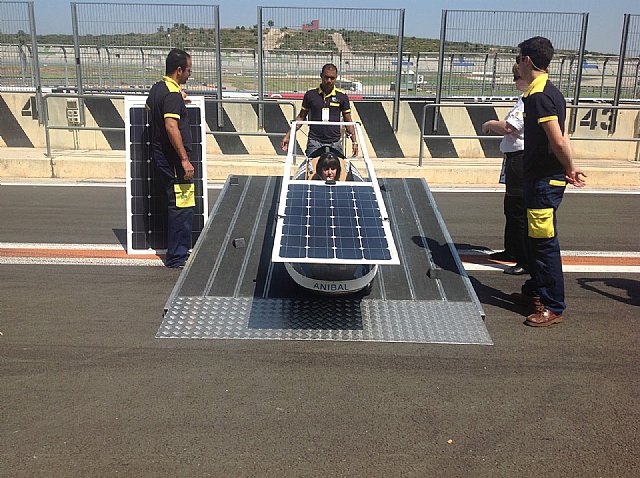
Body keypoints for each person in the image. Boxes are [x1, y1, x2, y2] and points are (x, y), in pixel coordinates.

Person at [512, 36, 586, 327]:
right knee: (534, 239)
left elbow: (557, 139)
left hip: (544, 181)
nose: (517, 65)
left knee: (543, 243)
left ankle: (553, 304)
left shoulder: (541, 96)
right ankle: (534, 291)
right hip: (539, 178)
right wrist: (569, 166)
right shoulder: (543, 92)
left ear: (528, 60)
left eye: (519, 59)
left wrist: (570, 167)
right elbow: (563, 137)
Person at [146, 48, 194, 268]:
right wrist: (184, 159)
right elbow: (171, 125)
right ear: (179, 70)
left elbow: (149, 108)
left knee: (175, 203)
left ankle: (177, 252)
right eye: (188, 70)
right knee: (181, 206)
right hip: (174, 159)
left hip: (160, 155)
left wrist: (178, 98)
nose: (190, 74)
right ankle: (177, 256)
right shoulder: (172, 95)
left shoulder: (158, 89)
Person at [482, 64, 530, 276]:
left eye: (517, 77)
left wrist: (491, 123)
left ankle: (524, 258)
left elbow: (510, 127)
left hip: (520, 159)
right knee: (511, 207)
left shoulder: (528, 100)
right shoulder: (525, 99)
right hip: (515, 159)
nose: (515, 81)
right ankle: (512, 251)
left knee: (518, 210)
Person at [281, 63, 359, 158]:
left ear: (336, 78)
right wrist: (288, 135)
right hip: (314, 142)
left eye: (332, 78)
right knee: (311, 171)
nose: (329, 81)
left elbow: (348, 121)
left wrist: (354, 141)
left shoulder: (342, 96)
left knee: (338, 171)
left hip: (335, 143)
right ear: (321, 76)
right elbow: (301, 117)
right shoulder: (311, 95)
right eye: (326, 77)